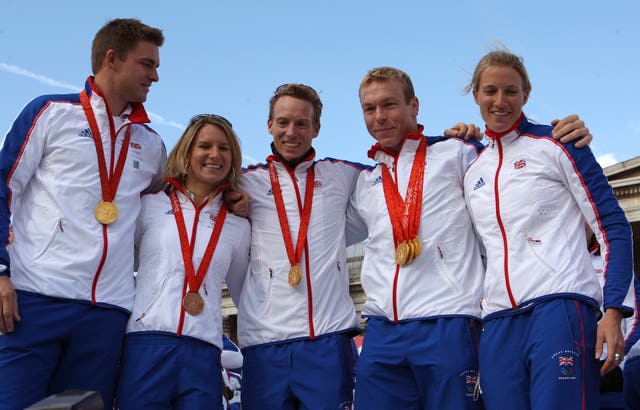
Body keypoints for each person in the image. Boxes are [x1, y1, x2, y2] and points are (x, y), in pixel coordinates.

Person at [349, 66, 595, 410]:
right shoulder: (362, 183)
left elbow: (513, 168)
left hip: (448, 320)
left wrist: (567, 135)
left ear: (414, 105)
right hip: (382, 330)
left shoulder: (458, 152)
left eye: (389, 105)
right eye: (369, 109)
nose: (380, 116)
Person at [0, 18, 165, 410]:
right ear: (113, 59)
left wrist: (232, 199)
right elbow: (3, 186)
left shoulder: (151, 144)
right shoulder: (51, 113)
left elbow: (174, 199)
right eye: (147, 64)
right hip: (34, 300)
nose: (155, 77)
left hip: (106, 312)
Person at [462, 49, 633, 410]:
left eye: (511, 91)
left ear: (526, 94)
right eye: (490, 91)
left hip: (559, 307)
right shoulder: (471, 168)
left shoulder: (559, 143)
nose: (500, 101)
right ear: (475, 94)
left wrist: (614, 309)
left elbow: (612, 226)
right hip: (497, 319)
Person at [235, 83, 367, 410]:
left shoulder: (342, 175)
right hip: (265, 345)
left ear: (316, 128)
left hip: (326, 341)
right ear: (269, 125)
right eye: (282, 122)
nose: (291, 132)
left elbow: (397, 169)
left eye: (301, 123)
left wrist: (446, 138)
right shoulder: (242, 182)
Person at [115, 114, 250, 409]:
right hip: (145, 344)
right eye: (205, 146)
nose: (215, 155)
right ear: (188, 153)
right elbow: (119, 265)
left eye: (224, 148)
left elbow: (246, 297)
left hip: (203, 351)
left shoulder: (238, 225)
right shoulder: (149, 205)